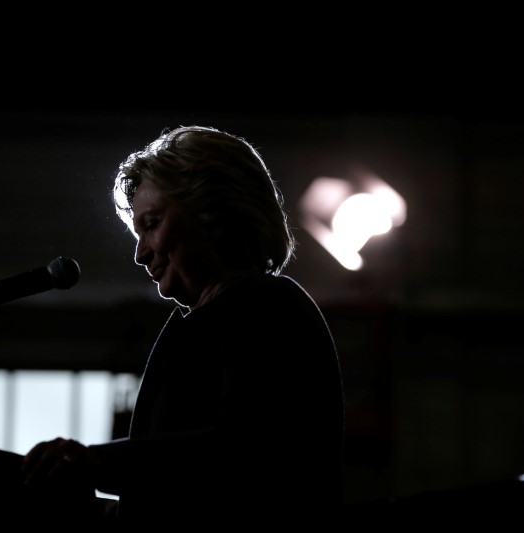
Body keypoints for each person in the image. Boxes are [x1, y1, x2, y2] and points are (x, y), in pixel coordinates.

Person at [21, 125, 345, 527]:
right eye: (138, 233)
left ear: (215, 209)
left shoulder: (272, 307)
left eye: (152, 223)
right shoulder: (215, 320)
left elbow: (244, 453)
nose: (140, 254)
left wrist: (96, 462)